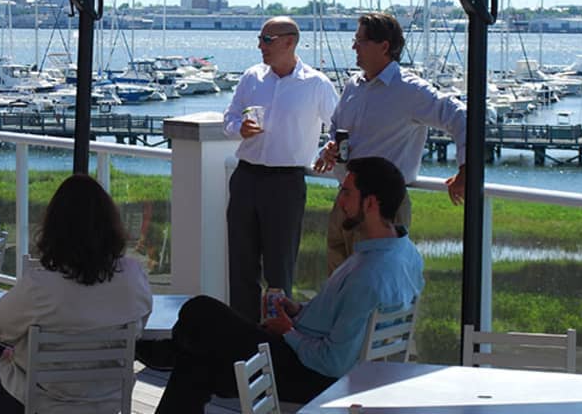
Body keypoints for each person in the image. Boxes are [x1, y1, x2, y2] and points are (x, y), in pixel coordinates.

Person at [148, 157, 424, 413]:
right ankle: (176, 350)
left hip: (312, 374)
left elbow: (333, 362)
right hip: (314, 357)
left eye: (347, 192)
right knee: (199, 363)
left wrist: (288, 331)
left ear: (370, 203)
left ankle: (171, 349)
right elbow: (345, 319)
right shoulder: (405, 253)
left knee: (201, 311)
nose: (340, 202)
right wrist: (298, 310)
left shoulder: (369, 274)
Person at [0, 174, 152, 414]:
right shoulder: (133, 278)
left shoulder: (41, 286)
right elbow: (139, 327)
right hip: (106, 402)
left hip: (38, 404)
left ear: (56, 228)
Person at [315, 12, 467, 276]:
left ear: (384, 46)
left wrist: (465, 169)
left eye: (360, 40)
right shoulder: (354, 85)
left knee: (372, 288)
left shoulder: (409, 90)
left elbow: (459, 115)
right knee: (336, 286)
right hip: (345, 199)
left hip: (382, 208)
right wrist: (329, 148)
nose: (354, 47)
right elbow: (336, 131)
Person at [223, 16, 337, 322]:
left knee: (279, 267)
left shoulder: (316, 84)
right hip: (246, 176)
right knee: (241, 265)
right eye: (260, 40)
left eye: (267, 40)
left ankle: (277, 338)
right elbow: (229, 117)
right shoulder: (252, 77)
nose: (261, 46)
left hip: (286, 183)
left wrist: (330, 147)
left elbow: (339, 127)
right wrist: (239, 128)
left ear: (290, 42)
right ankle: (243, 338)